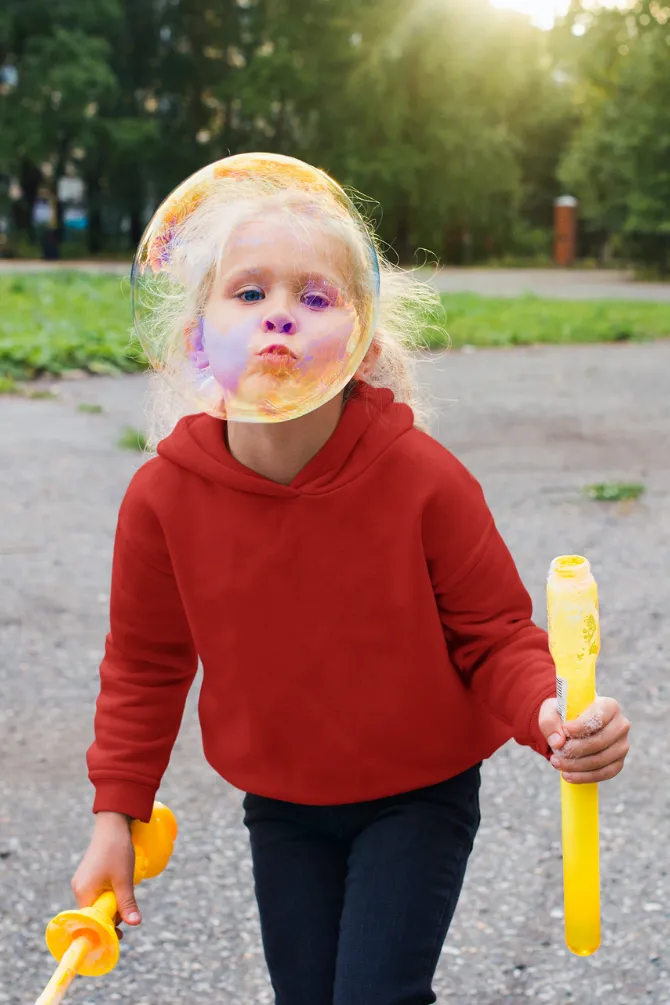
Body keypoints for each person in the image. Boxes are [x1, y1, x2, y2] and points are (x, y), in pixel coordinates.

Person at [71, 156, 630, 1005]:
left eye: (315, 297)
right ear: (198, 335)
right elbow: (146, 666)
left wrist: (549, 713)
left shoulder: (422, 478)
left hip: (418, 794)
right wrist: (116, 814)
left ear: (360, 337)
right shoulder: (161, 498)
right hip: (283, 804)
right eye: (249, 293)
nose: (280, 319)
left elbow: (494, 634)